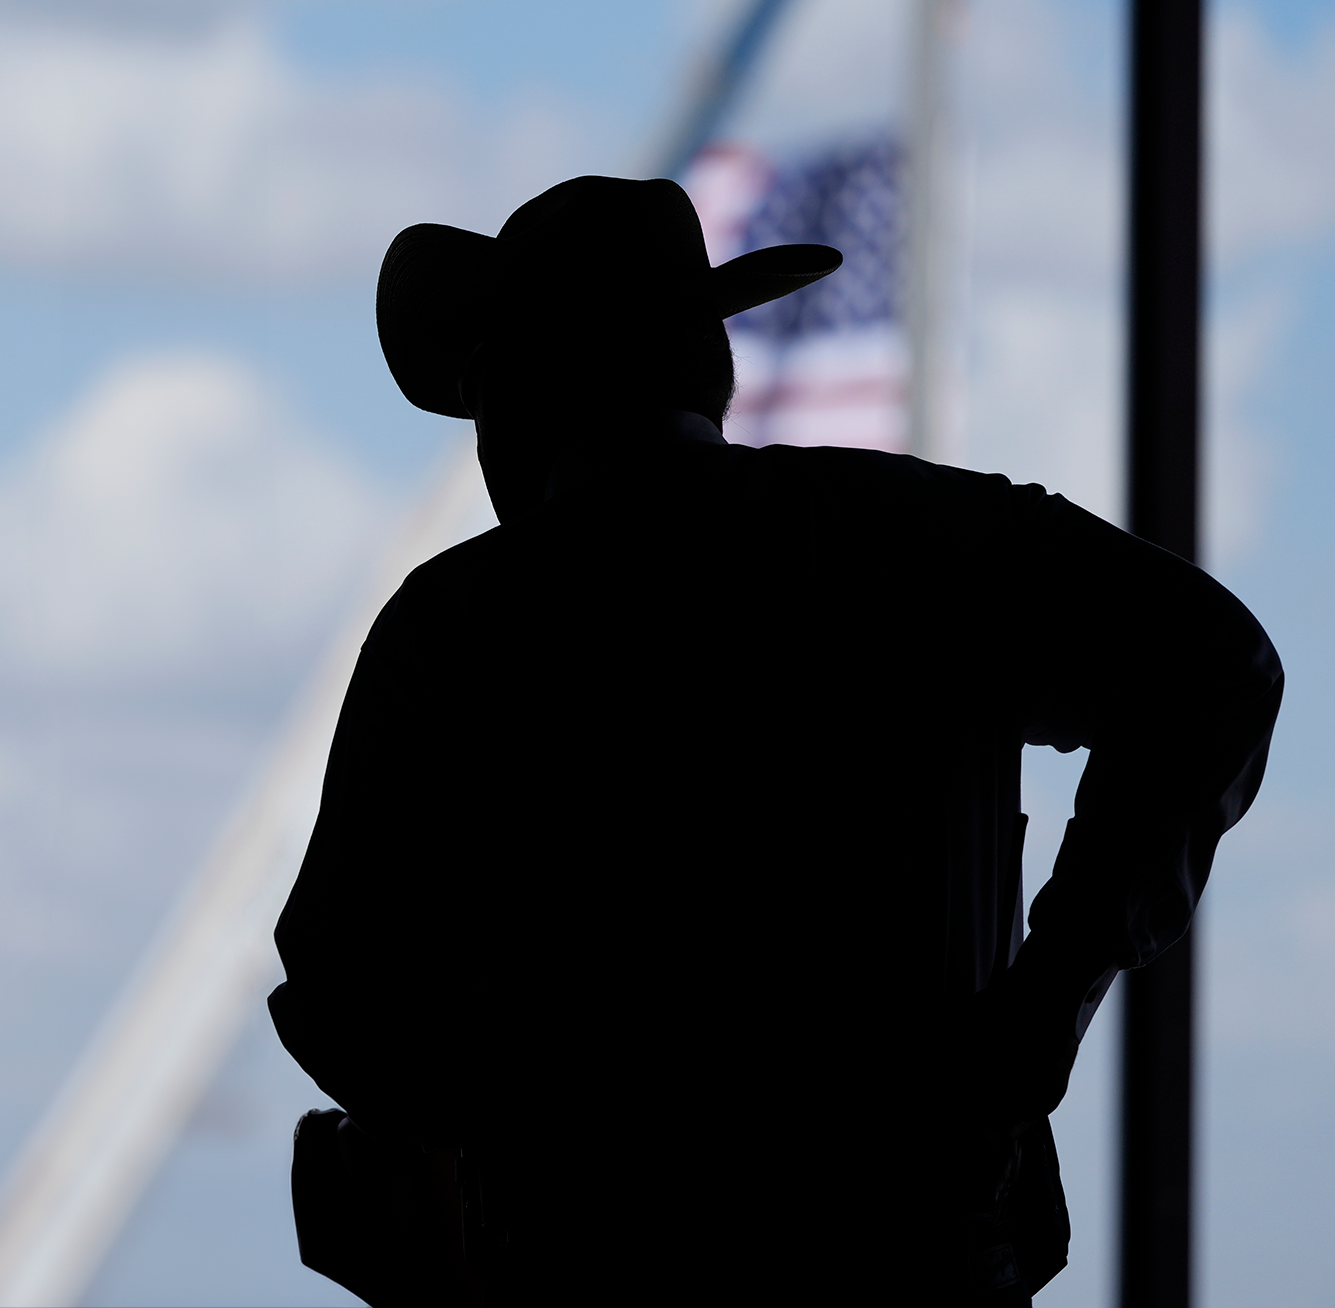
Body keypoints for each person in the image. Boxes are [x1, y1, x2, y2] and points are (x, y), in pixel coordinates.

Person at [268, 177, 1282, 1304]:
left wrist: (525, 1119)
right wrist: (1037, 1014)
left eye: (476, 387)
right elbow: (1217, 669)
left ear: (518, 391)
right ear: (708, 365)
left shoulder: (451, 629)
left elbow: (338, 990)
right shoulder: (933, 544)